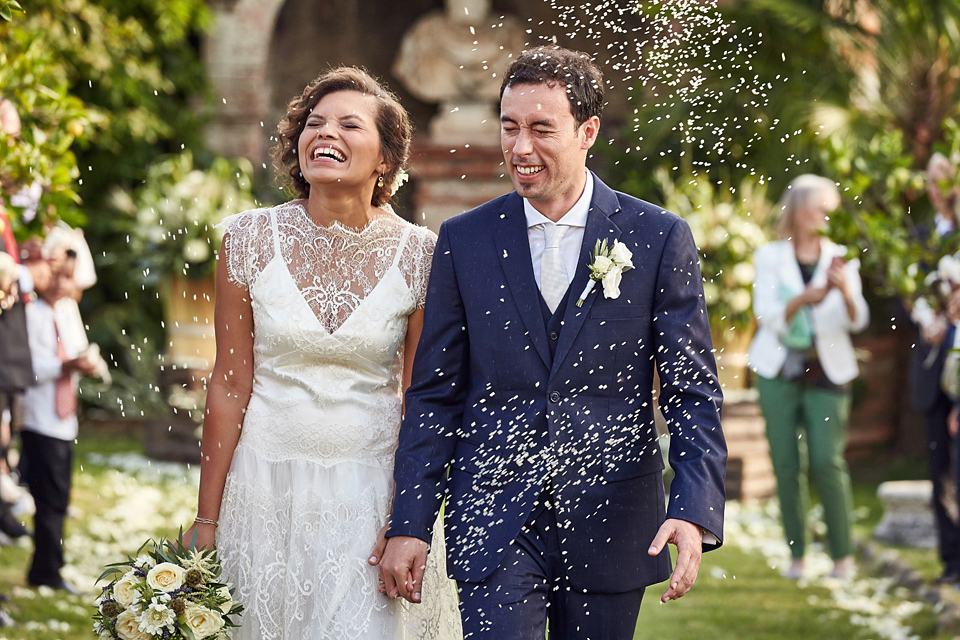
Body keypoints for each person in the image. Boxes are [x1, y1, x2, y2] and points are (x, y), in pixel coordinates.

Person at [378, 46, 727, 639]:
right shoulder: (465, 240)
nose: (520, 148)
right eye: (510, 128)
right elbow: (435, 393)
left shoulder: (657, 237)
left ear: (587, 131)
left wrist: (693, 509)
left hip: (612, 517)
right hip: (494, 516)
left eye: (542, 129)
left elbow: (692, 390)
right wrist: (410, 521)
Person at [184, 67, 461, 639]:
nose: (324, 133)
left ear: (385, 158)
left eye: (348, 124)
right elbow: (230, 383)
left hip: (368, 496)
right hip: (261, 489)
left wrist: (406, 518)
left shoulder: (423, 256)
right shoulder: (247, 240)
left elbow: (420, 397)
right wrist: (206, 519)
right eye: (314, 123)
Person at [747, 174, 869, 581]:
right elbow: (765, 316)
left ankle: (842, 557)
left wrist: (846, 294)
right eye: (820, 208)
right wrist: (804, 299)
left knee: (827, 462)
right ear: (799, 211)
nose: (827, 216)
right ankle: (797, 557)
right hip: (778, 372)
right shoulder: (769, 256)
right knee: (786, 465)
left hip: (829, 373)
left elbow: (859, 320)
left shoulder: (841, 255)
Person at [20, 249, 98, 594]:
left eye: (66, 277)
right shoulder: (31, 315)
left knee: (61, 495)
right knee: (48, 497)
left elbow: (80, 349)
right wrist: (66, 366)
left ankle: (47, 566)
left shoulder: (68, 312)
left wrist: (89, 363)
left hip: (65, 419)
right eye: (53, 275)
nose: (58, 284)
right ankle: (48, 570)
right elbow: (29, 368)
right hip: (39, 418)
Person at [909, 152, 960, 585]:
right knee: (938, 466)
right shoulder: (920, 237)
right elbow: (903, 293)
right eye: (930, 180)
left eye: (942, 179)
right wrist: (926, 318)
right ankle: (951, 562)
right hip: (932, 373)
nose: (934, 188)